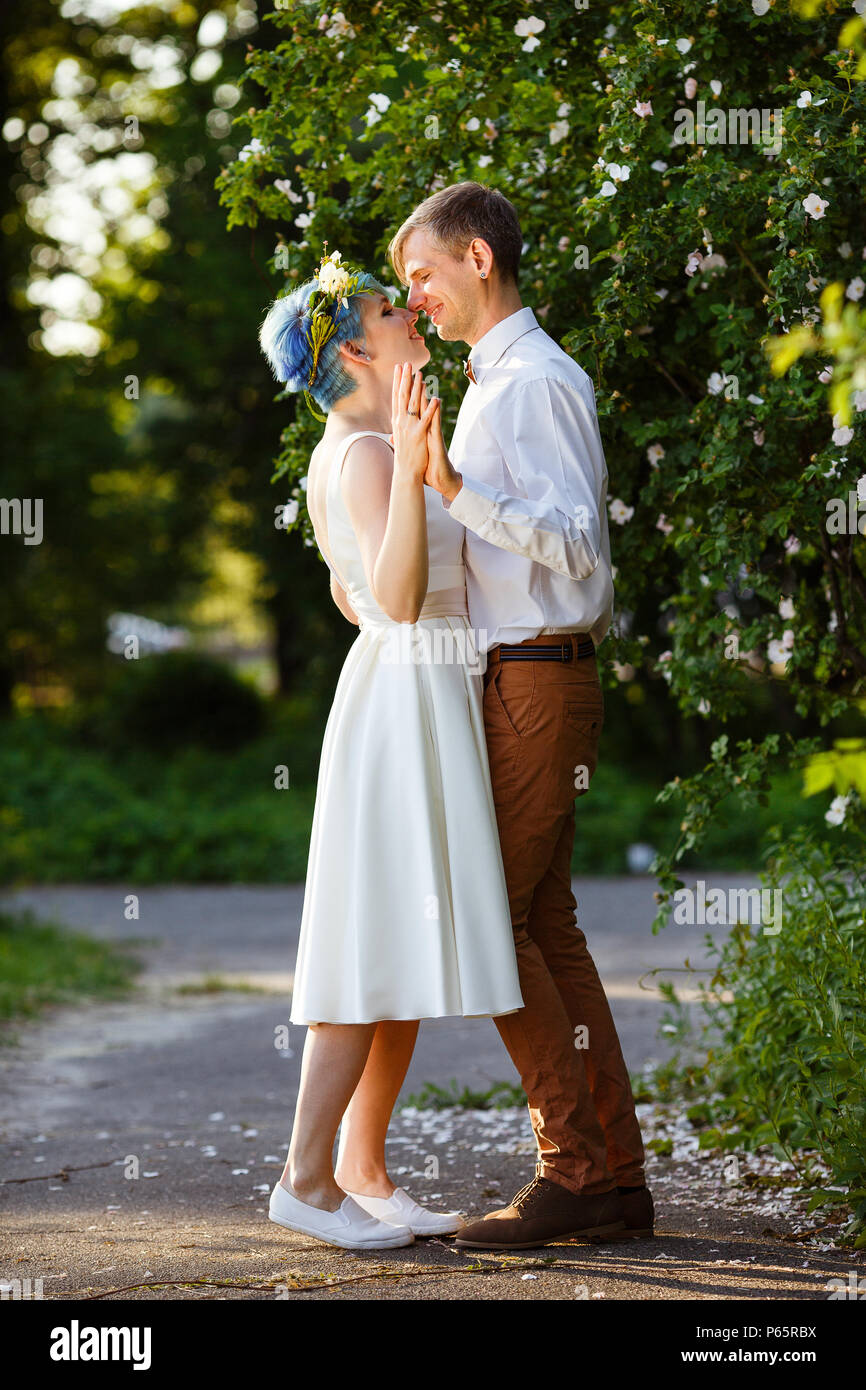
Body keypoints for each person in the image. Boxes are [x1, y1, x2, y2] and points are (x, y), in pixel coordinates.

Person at [388, 182, 654, 1249]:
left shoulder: (534, 382)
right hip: (520, 675)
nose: (414, 297)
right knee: (543, 926)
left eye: (422, 273)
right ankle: (615, 1178)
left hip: (542, 674)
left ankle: (573, 1171)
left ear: (476, 260)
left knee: (491, 923)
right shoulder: (492, 381)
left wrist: (448, 479)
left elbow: (580, 546)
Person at [257, 250, 525, 1252]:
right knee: (369, 948)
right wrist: (418, 462)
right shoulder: (369, 454)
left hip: (405, 690)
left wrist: (415, 462)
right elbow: (401, 599)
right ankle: (305, 1178)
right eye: (386, 305)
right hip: (406, 694)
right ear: (357, 347)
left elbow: (351, 595)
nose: (409, 307)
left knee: (397, 951)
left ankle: (361, 1170)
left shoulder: (357, 446)